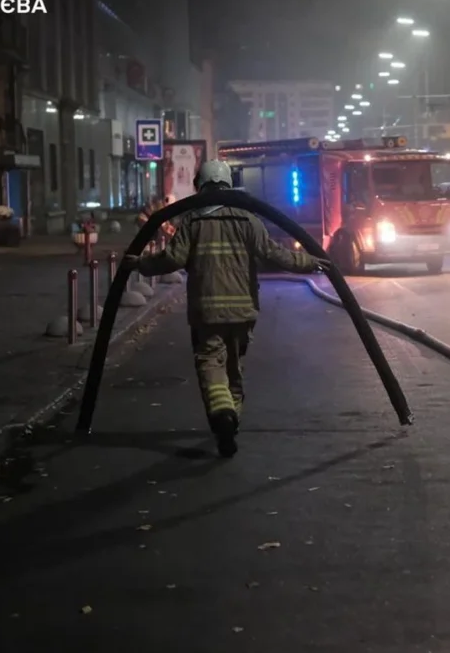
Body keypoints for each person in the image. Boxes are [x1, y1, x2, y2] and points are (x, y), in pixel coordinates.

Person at [124, 159, 327, 457]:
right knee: (234, 368)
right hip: (244, 310)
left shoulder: (192, 221)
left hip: (207, 311)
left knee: (210, 364)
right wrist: (313, 263)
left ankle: (223, 417)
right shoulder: (248, 219)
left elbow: (172, 260)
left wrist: (140, 264)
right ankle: (231, 421)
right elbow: (276, 254)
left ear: (201, 186)